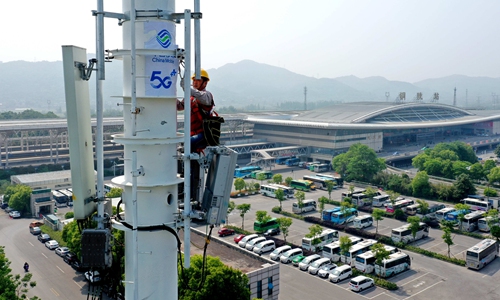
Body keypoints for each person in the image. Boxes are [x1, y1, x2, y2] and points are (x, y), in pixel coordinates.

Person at [177, 68, 214, 152]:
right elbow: (180, 106)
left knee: (189, 143)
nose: (195, 82)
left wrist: (187, 88)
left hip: (203, 133)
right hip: (192, 133)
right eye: (194, 80)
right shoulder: (190, 97)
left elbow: (200, 96)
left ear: (205, 83)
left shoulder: (207, 96)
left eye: (198, 80)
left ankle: (192, 164)